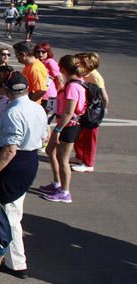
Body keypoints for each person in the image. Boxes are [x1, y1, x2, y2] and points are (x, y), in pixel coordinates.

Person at [0, 71, 47, 279]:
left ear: (7, 90)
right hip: (29, 160)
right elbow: (43, 135)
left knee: (10, 213)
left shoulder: (13, 112)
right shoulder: (37, 108)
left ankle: (16, 262)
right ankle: (10, 257)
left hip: (15, 163)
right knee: (12, 209)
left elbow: (10, 149)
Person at [39, 55, 87, 204]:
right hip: (65, 124)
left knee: (63, 159)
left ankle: (65, 192)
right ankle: (57, 183)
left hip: (69, 126)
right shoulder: (75, 82)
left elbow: (69, 111)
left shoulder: (73, 86)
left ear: (64, 68)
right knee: (50, 151)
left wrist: (58, 130)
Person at [72, 52, 108, 172]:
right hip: (83, 110)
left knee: (89, 138)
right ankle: (79, 156)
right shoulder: (83, 74)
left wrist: (103, 110)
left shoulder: (95, 77)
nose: (77, 64)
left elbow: (104, 96)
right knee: (79, 135)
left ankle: (88, 163)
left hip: (91, 112)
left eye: (80, 62)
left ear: (87, 65)